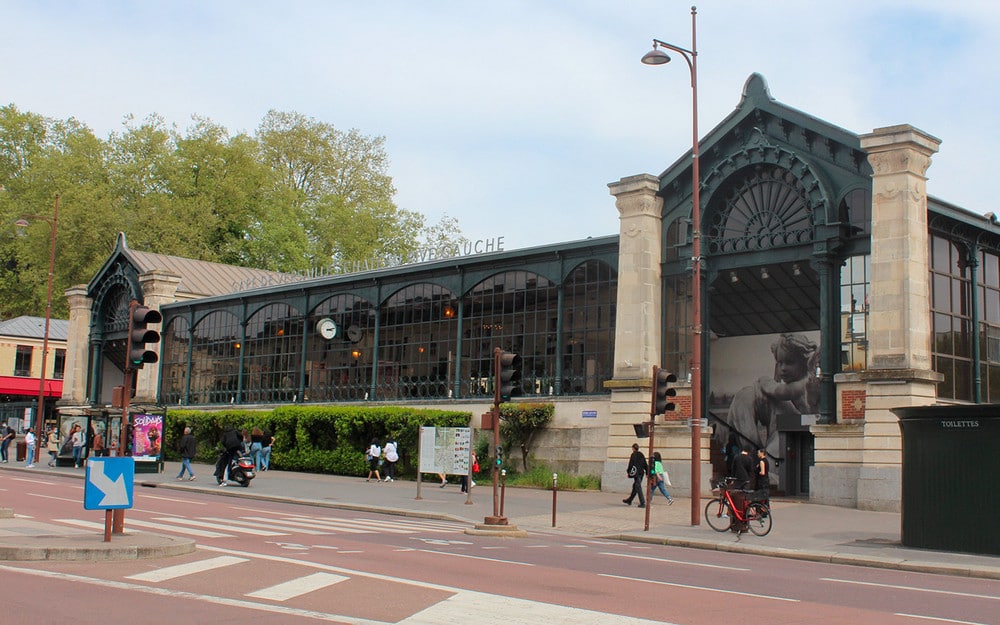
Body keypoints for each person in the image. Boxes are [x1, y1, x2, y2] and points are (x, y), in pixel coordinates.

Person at [717, 333, 819, 461]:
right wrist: (765, 382)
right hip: (745, 402)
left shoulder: (805, 382)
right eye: (780, 363)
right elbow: (779, 391)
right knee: (751, 443)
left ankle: (760, 472)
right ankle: (757, 472)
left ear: (803, 362)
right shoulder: (789, 388)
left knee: (759, 449)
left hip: (764, 410)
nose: (783, 369)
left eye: (789, 363)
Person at [622, 443, 648, 508]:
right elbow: (645, 463)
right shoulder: (641, 454)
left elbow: (631, 464)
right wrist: (647, 472)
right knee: (635, 486)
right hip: (641, 473)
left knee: (638, 487)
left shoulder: (633, 455)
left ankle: (642, 502)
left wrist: (629, 472)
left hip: (636, 474)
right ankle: (629, 500)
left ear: (633, 448)